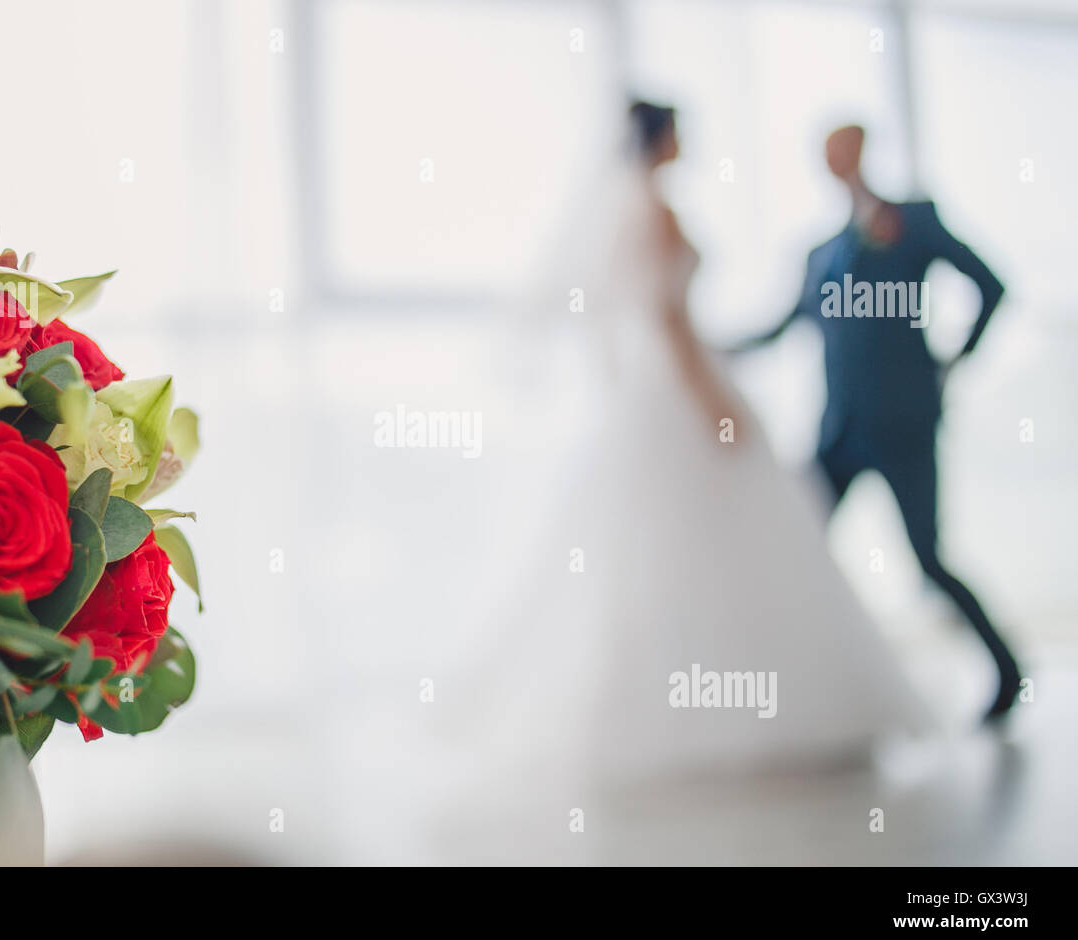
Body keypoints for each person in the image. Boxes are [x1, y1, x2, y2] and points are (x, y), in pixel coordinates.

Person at [428, 103, 933, 847]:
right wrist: (716, 409)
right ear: (661, 139)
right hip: (681, 391)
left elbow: (620, 326)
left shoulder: (622, 213)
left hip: (648, 393)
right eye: (681, 130)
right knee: (705, 550)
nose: (689, 141)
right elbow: (670, 321)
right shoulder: (655, 212)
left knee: (653, 560)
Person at [733, 125, 1020, 721]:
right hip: (839, 431)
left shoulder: (913, 222)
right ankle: (782, 688)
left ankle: (1007, 671)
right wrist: (709, 348)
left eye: (845, 148)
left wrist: (953, 358)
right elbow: (783, 326)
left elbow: (991, 286)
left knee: (927, 557)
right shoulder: (817, 254)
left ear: (862, 151)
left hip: (903, 427)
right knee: (799, 546)